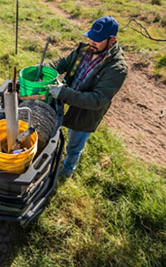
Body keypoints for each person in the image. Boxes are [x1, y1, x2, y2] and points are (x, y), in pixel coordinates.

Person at [44, 16, 128, 179]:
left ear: (112, 40)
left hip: (86, 112)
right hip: (65, 99)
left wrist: (63, 93)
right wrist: (43, 69)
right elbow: (62, 64)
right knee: (52, 132)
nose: (92, 42)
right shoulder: (84, 49)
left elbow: (97, 100)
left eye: (98, 40)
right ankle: (50, 159)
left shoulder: (117, 68)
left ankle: (67, 171)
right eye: (91, 37)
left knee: (74, 145)